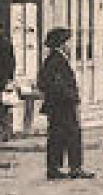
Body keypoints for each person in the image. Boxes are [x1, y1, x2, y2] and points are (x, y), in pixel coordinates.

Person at [37, 27, 92, 180]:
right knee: (70, 134)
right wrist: (71, 97)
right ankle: (73, 167)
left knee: (58, 136)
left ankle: (56, 167)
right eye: (67, 42)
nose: (69, 46)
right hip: (62, 105)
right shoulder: (56, 61)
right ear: (61, 44)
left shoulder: (54, 59)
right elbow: (52, 84)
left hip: (58, 105)